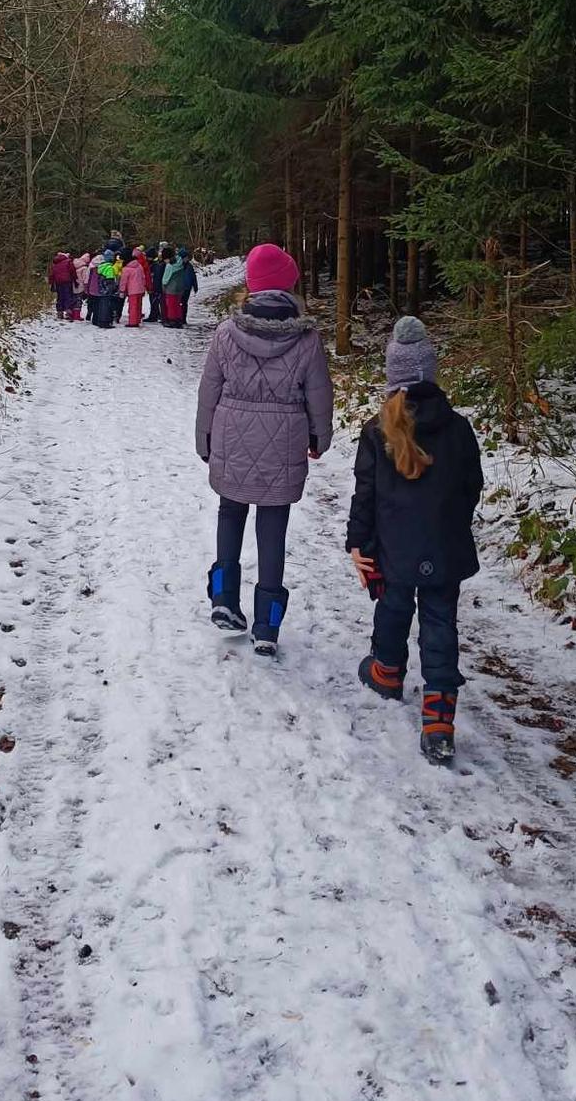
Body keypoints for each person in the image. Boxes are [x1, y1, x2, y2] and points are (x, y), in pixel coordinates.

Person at [345, 316, 483, 767]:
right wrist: (451, 524)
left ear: (392, 376)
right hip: (444, 546)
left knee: (393, 606)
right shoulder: (458, 428)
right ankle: (439, 720)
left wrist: (359, 544)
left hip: (394, 548)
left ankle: (387, 670)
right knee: (441, 623)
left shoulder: (377, 430)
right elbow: (471, 486)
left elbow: (365, 494)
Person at [195, 243, 333, 655]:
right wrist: (319, 436)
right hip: (284, 441)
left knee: (230, 512)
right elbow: (319, 394)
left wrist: (204, 438)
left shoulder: (226, 332)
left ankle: (223, 598)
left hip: (231, 436)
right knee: (273, 526)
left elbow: (209, 390)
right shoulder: (306, 338)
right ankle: (267, 626)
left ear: (252, 286)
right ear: (288, 285)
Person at [120, 246, 150, 326]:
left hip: (132, 290)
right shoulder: (139, 265)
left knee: (133, 306)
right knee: (138, 305)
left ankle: (133, 322)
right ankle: (137, 319)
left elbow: (123, 281)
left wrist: (122, 290)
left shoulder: (126, 269)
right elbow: (143, 277)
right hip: (140, 289)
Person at [93, 248, 122, 328]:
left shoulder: (101, 267)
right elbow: (110, 280)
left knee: (101, 304)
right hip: (107, 290)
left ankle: (100, 320)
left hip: (101, 290)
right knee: (107, 306)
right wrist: (114, 288)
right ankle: (105, 322)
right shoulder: (109, 268)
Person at [48, 250, 76, 321]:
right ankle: (68, 312)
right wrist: (75, 279)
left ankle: (59, 312)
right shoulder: (68, 262)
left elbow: (52, 274)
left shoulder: (55, 264)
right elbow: (72, 271)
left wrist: (51, 282)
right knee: (68, 296)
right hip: (67, 281)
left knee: (60, 296)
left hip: (58, 282)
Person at [149, 244, 171, 322]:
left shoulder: (166, 264)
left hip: (162, 285)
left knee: (163, 302)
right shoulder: (155, 263)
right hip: (155, 284)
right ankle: (154, 315)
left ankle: (164, 316)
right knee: (154, 301)